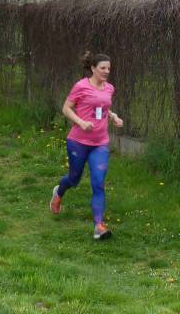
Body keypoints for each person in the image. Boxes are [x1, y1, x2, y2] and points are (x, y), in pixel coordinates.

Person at [50, 51, 123, 240]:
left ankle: (99, 226)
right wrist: (81, 122)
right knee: (74, 179)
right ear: (93, 68)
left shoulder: (109, 88)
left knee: (98, 183)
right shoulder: (81, 86)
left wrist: (113, 116)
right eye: (103, 68)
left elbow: (103, 107)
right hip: (78, 142)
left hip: (100, 143)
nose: (106, 71)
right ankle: (59, 192)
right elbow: (66, 108)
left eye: (108, 68)